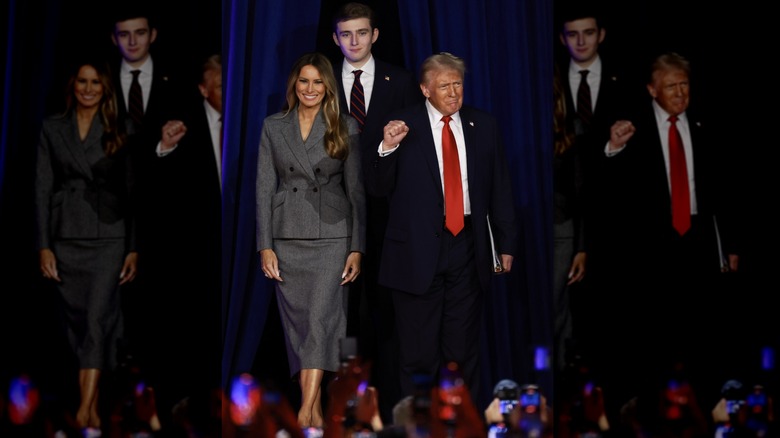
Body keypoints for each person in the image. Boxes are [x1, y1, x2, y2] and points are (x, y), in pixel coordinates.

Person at [365, 52, 518, 401]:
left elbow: (500, 188)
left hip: (467, 247)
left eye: (458, 84)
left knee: (462, 354)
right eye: (444, 86)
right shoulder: (401, 124)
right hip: (416, 254)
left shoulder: (485, 125)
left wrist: (506, 244)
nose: (453, 92)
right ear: (425, 89)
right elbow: (376, 188)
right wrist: (387, 148)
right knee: (418, 356)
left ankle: (461, 425)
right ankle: (418, 425)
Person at [598, 52, 739, 412]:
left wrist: (731, 246)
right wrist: (613, 147)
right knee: (655, 326)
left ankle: (707, 397)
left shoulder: (704, 124)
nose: (679, 93)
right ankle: (653, 402)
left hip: (697, 238)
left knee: (703, 324)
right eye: (670, 86)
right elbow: (607, 188)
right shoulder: (634, 128)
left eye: (684, 84)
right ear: (651, 89)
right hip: (654, 243)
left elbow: (725, 190)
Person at [255, 52, 366, 427]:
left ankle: (303, 412)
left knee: (322, 320)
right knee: (300, 328)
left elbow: (357, 193)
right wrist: (264, 244)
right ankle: (315, 412)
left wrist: (357, 247)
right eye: (304, 81)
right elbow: (264, 188)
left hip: (333, 237)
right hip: (287, 236)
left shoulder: (344, 125)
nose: (310, 89)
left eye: (318, 82)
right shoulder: (273, 126)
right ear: (294, 84)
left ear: (328, 87)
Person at [330, 1, 421, 422]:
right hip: (332, 213)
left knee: (385, 312)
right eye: (346, 34)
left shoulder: (400, 81)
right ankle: (346, 406)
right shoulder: (321, 80)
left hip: (386, 214)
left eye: (361, 33)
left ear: (375, 35)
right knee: (340, 313)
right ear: (336, 38)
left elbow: (412, 150)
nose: (354, 41)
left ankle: (386, 408)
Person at [35, 59, 138, 432]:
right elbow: (42, 188)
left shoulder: (120, 128)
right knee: (77, 326)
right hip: (65, 237)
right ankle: (92, 414)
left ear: (105, 88)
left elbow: (131, 193)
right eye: (82, 81)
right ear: (73, 85)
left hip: (109, 238)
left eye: (96, 82)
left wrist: (132, 247)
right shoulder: (52, 128)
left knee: (96, 319)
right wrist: (43, 245)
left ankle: (81, 412)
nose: (89, 88)